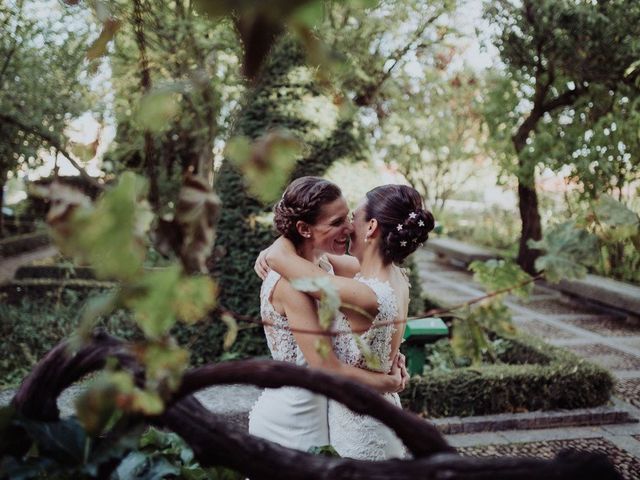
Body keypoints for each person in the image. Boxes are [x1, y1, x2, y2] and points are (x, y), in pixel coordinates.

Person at [262, 184, 435, 460]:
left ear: (371, 227)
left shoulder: (364, 295)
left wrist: (279, 247)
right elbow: (315, 256)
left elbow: (280, 259)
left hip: (359, 424)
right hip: (379, 413)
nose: (348, 227)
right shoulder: (394, 277)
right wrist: (293, 237)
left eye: (353, 218)